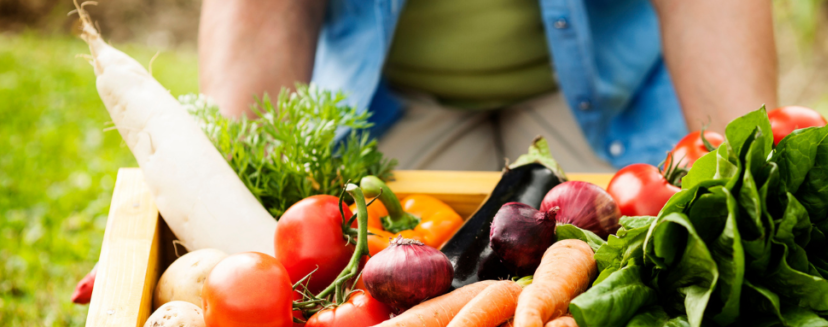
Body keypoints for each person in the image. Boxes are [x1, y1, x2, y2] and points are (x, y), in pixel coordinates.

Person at [198, 0, 777, 173]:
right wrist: (229, 181)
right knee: (373, 278)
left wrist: (750, 177)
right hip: (390, 96)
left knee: (640, 272)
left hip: (604, 91)